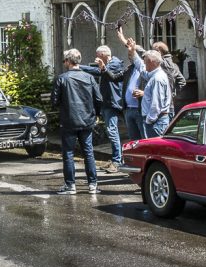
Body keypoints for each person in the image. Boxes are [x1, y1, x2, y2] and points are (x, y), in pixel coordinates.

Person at [50, 48, 102, 195]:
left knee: (68, 154)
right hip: (87, 120)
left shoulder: (62, 78)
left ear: (67, 61)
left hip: (69, 120)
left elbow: (54, 101)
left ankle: (70, 185)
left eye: (64, 60)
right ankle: (92, 185)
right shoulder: (89, 78)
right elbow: (98, 99)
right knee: (88, 152)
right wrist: (96, 114)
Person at [80, 45, 125, 173]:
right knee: (111, 130)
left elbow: (99, 72)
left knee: (112, 131)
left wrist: (79, 67)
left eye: (98, 56)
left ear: (104, 55)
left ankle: (117, 161)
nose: (96, 58)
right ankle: (115, 159)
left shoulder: (115, 64)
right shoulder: (107, 64)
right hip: (106, 102)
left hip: (112, 103)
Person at [133, 49, 172, 136]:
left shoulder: (157, 78)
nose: (144, 63)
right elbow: (143, 70)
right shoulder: (155, 75)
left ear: (151, 61)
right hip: (157, 121)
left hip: (156, 122)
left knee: (157, 148)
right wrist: (133, 53)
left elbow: (156, 103)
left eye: (145, 61)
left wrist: (149, 120)